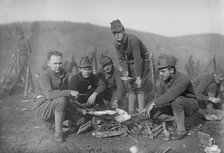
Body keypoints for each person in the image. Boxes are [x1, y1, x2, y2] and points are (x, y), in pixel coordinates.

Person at [143, 54, 198, 140]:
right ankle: (175, 119)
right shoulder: (164, 81)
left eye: (163, 71)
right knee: (153, 113)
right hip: (175, 106)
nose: (160, 74)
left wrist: (154, 103)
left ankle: (181, 130)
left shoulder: (183, 79)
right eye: (159, 71)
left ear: (171, 70)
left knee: (176, 100)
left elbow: (171, 95)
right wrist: (149, 106)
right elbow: (158, 96)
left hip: (190, 105)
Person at [33, 51, 79, 143]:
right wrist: (70, 92)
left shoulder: (64, 75)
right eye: (55, 63)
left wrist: (77, 108)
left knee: (80, 120)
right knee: (61, 100)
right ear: (49, 63)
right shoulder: (44, 75)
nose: (58, 66)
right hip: (43, 108)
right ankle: (58, 132)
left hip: (57, 107)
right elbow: (50, 95)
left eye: (60, 63)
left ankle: (56, 124)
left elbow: (66, 97)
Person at [110, 19, 151, 114]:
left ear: (123, 31)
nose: (117, 35)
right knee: (130, 87)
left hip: (143, 62)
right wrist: (126, 71)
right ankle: (131, 112)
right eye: (114, 33)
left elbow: (138, 59)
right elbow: (122, 59)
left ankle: (141, 112)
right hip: (130, 63)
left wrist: (138, 77)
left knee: (139, 86)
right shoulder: (116, 43)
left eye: (119, 32)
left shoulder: (133, 40)